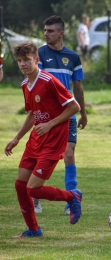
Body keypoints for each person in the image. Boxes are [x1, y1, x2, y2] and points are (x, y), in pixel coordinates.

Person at [5, 42, 82, 238]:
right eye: (20, 61)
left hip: (54, 139)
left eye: (27, 60)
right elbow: (32, 114)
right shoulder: (25, 85)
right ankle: (33, 229)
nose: (23, 64)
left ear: (37, 60)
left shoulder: (49, 81)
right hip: (36, 140)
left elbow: (74, 107)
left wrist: (50, 124)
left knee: (33, 189)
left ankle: (72, 196)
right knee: (20, 185)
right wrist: (16, 138)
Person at [34, 15, 88, 215]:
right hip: (45, 116)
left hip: (69, 115)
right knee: (41, 155)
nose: (46, 34)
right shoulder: (39, 54)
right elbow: (37, 84)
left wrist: (83, 113)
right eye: (45, 30)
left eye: (50, 31)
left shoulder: (72, 57)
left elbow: (78, 88)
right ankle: (35, 197)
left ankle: (71, 199)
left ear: (61, 33)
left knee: (69, 153)